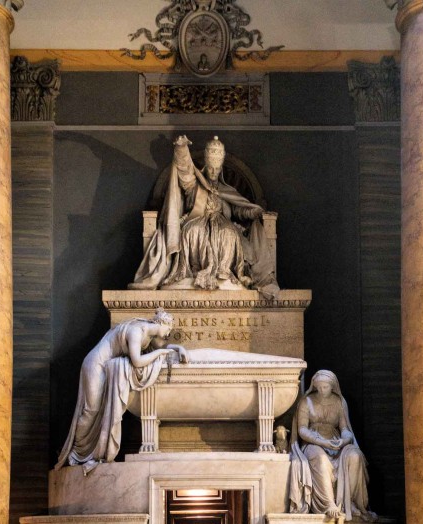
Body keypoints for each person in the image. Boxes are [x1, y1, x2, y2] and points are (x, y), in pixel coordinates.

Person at [129, 134, 279, 298]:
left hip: (222, 222)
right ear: (205, 167)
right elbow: (185, 171)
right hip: (196, 220)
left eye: (216, 169)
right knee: (191, 231)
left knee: (228, 234)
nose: (213, 172)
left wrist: (254, 211)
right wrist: (181, 149)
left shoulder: (227, 190)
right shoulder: (195, 185)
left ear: (221, 170)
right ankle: (192, 272)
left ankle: (223, 272)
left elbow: (239, 209)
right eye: (211, 168)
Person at [55, 308, 187, 474]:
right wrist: (161, 352)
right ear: (162, 323)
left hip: (107, 368)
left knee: (97, 411)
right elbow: (138, 361)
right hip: (96, 365)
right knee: (91, 410)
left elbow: (161, 347)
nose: (169, 332)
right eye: (169, 328)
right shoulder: (136, 331)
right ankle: (75, 452)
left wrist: (177, 348)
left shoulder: (149, 333)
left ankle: (84, 452)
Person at [288, 370, 376, 521]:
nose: (322, 390)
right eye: (319, 387)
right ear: (314, 386)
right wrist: (321, 441)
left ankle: (350, 502)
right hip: (313, 443)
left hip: (336, 443)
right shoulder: (306, 402)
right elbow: (302, 429)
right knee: (320, 458)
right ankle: (328, 504)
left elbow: (345, 428)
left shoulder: (339, 402)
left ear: (332, 386)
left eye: (325, 387)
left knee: (355, 456)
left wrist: (343, 440)